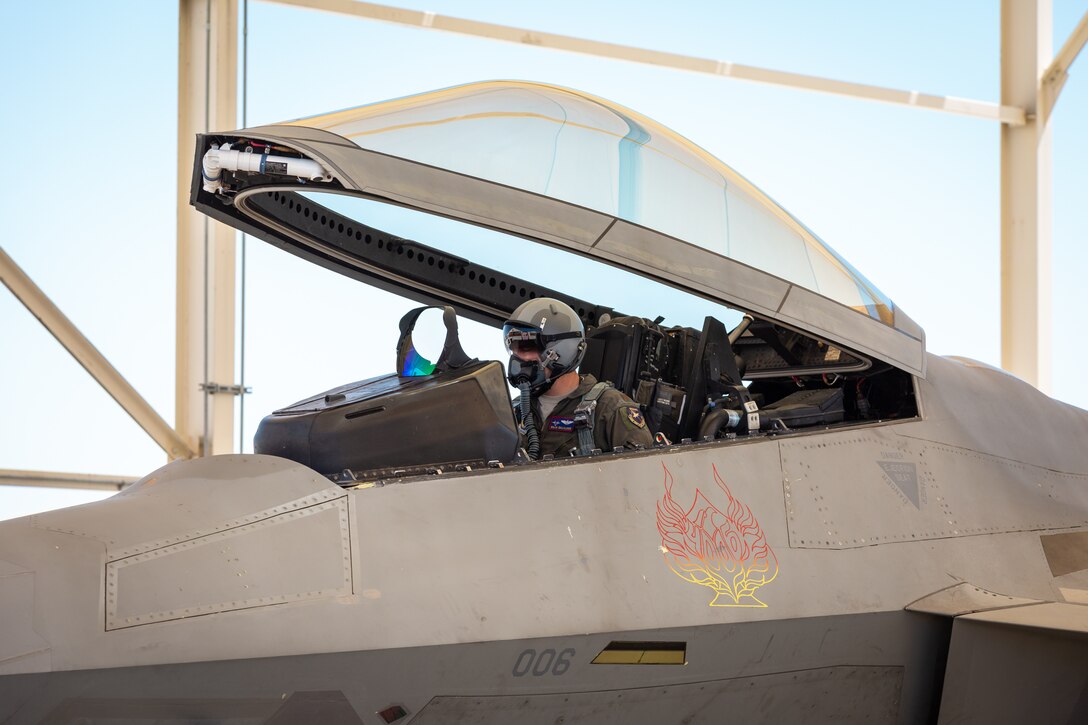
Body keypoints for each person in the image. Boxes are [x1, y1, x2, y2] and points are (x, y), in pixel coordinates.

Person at [503, 298, 654, 459]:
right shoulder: (513, 412)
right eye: (513, 348)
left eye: (526, 347)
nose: (517, 358)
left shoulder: (610, 410)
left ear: (561, 351)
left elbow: (645, 476)